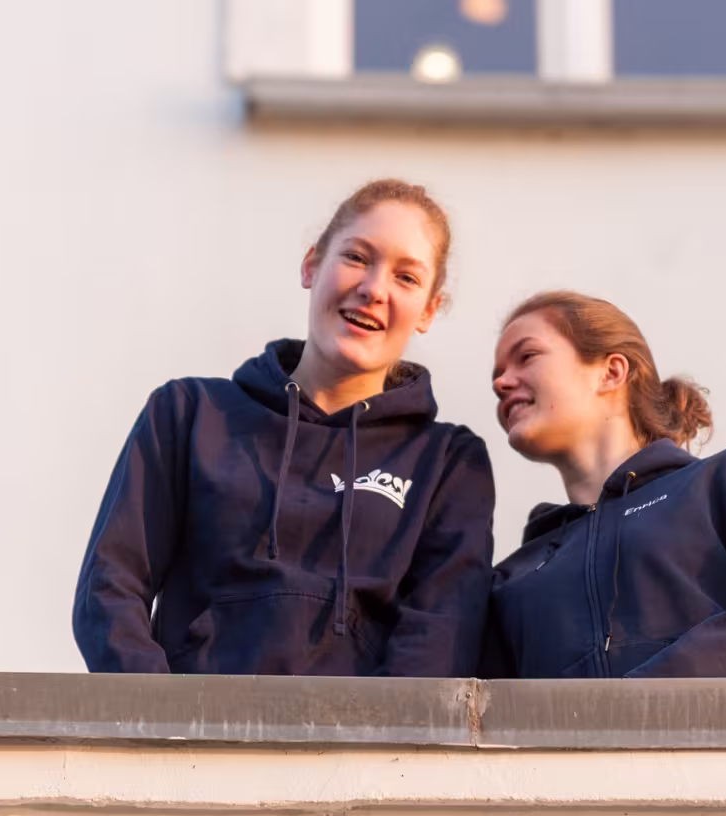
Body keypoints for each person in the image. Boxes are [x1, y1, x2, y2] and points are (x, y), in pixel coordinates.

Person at [73, 179, 494, 677]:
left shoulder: (447, 462)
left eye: (406, 278)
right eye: (357, 257)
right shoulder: (187, 414)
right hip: (189, 745)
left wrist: (368, 749)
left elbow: (439, 638)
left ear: (427, 309)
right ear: (311, 264)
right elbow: (110, 588)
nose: (374, 288)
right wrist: (167, 730)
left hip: (357, 751)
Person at [488, 290, 726, 680]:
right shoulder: (511, 576)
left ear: (611, 372)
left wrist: (647, 698)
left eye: (527, 356)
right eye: (497, 374)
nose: (502, 382)